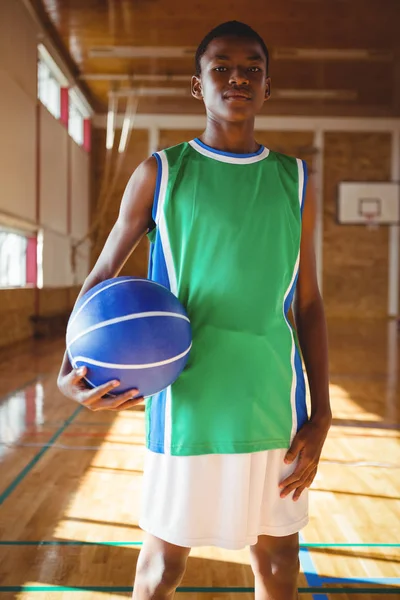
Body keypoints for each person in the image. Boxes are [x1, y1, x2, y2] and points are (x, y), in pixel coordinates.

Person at [58, 20, 331, 600]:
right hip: (188, 402)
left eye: (253, 68)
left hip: (273, 402)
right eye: (222, 68)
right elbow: (102, 278)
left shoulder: (296, 179)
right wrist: (70, 368)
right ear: (197, 84)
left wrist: (323, 413)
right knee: (162, 568)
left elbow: (307, 302)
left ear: (267, 85)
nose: (238, 77)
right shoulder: (161, 172)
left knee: (279, 562)